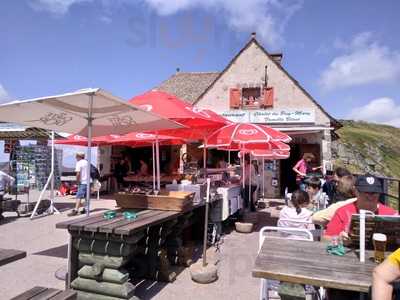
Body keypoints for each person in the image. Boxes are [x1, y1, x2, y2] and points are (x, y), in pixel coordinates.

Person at [324, 174, 397, 240]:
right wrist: (338, 238)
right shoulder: (342, 211)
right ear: (356, 191)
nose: (370, 196)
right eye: (366, 192)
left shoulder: (392, 215)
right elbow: (325, 238)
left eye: (374, 192)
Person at [68, 152, 89, 216]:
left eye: (76, 156)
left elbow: (78, 173)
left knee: (78, 196)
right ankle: (86, 209)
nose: (75, 158)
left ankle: (76, 210)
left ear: (78, 156)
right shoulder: (87, 162)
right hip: (88, 181)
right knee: (86, 196)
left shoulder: (79, 163)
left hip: (83, 182)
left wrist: (77, 181)